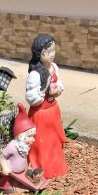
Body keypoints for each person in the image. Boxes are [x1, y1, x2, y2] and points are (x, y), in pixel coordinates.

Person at [25, 34, 68, 179]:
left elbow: (58, 82)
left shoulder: (54, 67)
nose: (51, 54)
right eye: (47, 52)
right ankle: (40, 168)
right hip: (40, 113)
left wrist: (57, 90)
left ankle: (55, 166)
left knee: (54, 141)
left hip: (53, 110)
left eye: (53, 50)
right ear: (39, 53)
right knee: (41, 142)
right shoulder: (35, 74)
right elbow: (31, 98)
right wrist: (45, 91)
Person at [0, 103, 49, 193]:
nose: (33, 139)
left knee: (27, 179)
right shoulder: (12, 146)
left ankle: (25, 184)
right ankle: (5, 187)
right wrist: (4, 168)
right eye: (30, 136)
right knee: (7, 181)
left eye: (33, 136)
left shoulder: (24, 145)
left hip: (21, 171)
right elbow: (2, 156)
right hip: (11, 171)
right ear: (21, 136)